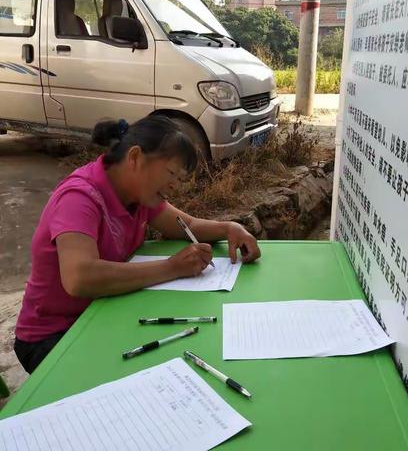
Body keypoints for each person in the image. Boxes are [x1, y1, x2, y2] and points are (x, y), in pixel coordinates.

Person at [14, 115, 260, 374]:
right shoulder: (80, 197)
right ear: (135, 158)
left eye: (181, 179)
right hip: (53, 335)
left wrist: (230, 228)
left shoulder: (138, 196)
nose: (175, 186)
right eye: (172, 174)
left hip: (103, 313)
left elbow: (187, 225)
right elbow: (79, 277)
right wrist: (172, 267)